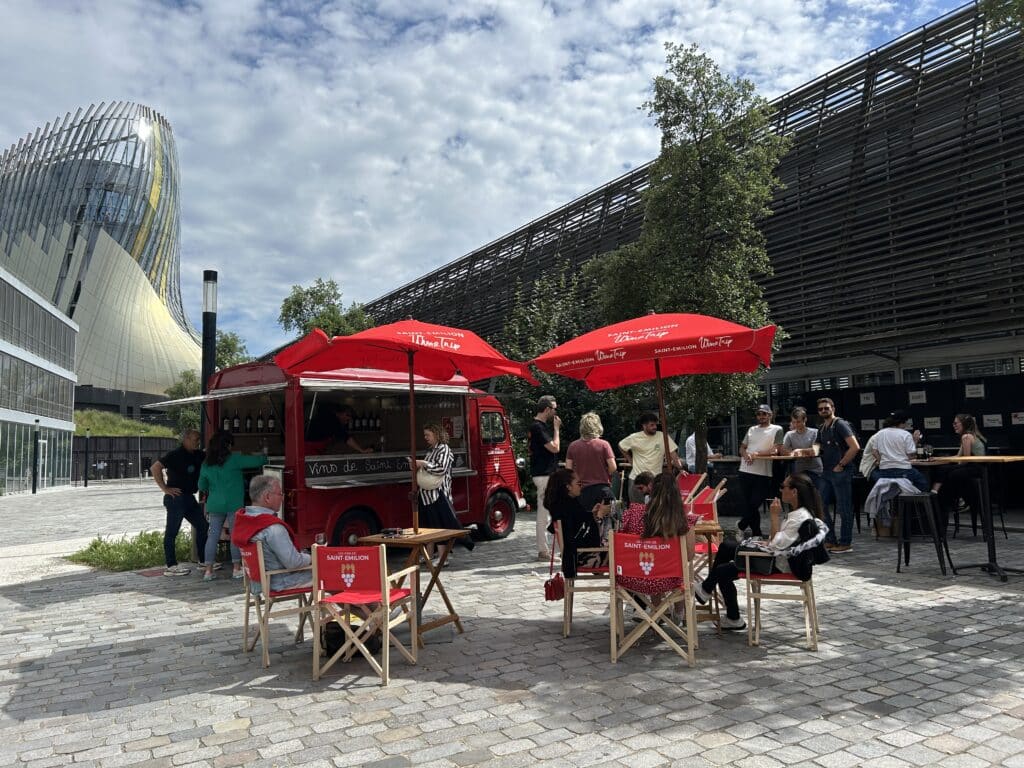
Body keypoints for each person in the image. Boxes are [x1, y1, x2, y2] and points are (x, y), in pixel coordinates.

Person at [694, 473, 828, 630]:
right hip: (778, 557)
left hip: (777, 563)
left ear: (794, 492)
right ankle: (708, 591)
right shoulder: (800, 514)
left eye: (783, 487)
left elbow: (774, 545)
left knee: (722, 571)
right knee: (725, 547)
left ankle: (730, 613)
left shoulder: (798, 518)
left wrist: (773, 517)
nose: (780, 490)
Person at [615, 471, 696, 613]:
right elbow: (689, 556)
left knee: (653, 565)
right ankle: (678, 613)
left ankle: (657, 612)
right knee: (673, 571)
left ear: (652, 490)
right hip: (670, 579)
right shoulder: (683, 520)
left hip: (634, 578)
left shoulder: (634, 513)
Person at [199, 431, 269, 581]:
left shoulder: (206, 464)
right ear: (228, 445)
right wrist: (264, 453)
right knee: (235, 536)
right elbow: (259, 461)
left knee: (212, 536)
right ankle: (237, 569)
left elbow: (201, 485)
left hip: (215, 504)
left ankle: (208, 571)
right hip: (233, 504)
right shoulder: (235, 460)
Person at [231, 475, 311, 593]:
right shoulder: (273, 528)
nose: (283, 498)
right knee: (331, 572)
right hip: (280, 582)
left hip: (256, 581)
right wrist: (312, 556)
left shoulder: (244, 520)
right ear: (267, 497)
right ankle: (335, 609)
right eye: (280, 494)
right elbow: (293, 562)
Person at [412, 423, 474, 563]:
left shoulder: (444, 449)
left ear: (436, 434)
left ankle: (442, 558)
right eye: (425, 435)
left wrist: (423, 464)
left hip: (438, 495)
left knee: (440, 526)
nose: (425, 437)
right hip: (427, 494)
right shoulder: (431, 450)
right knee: (428, 526)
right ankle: (429, 555)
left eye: (428, 434)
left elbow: (441, 469)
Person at [151, 430, 209, 577]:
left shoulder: (198, 454)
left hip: (189, 497)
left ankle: (204, 561)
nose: (198, 442)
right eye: (195, 439)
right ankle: (171, 565)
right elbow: (155, 467)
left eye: (199, 439)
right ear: (186, 439)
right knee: (172, 531)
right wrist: (165, 488)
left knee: (203, 525)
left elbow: (209, 456)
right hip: (176, 498)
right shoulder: (175, 454)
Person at [544, 468, 611, 578]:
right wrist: (598, 516)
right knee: (621, 554)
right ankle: (625, 592)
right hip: (580, 557)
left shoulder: (564, 504)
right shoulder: (566, 507)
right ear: (568, 487)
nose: (581, 486)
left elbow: (579, 520)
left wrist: (592, 514)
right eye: (579, 483)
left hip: (575, 556)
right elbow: (578, 536)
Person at [814, 398, 860, 553]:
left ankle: (845, 542)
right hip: (826, 472)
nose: (823, 411)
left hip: (840, 472)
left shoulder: (840, 424)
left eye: (826, 408)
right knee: (821, 505)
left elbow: (854, 447)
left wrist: (841, 464)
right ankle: (830, 539)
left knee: (844, 508)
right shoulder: (822, 428)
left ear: (833, 408)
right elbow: (816, 449)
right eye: (820, 409)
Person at [934, 414, 987, 534]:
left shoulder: (967, 437)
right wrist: (939, 459)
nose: (953, 425)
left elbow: (965, 459)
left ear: (964, 424)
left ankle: (951, 498)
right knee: (945, 469)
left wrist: (948, 463)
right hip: (976, 468)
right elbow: (958, 457)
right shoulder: (970, 435)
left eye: (956, 423)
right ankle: (948, 498)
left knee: (947, 473)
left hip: (975, 468)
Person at [736, 405, 784, 538]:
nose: (761, 416)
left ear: (770, 415)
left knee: (754, 503)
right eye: (759, 414)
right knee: (750, 505)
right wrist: (746, 455)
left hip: (763, 472)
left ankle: (741, 526)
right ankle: (756, 533)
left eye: (764, 414)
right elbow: (742, 448)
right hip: (745, 470)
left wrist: (756, 454)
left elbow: (775, 450)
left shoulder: (777, 429)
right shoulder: (751, 429)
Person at [619, 412, 682, 503]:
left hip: (655, 481)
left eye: (656, 424)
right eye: (652, 425)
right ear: (644, 425)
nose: (655, 427)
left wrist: (680, 468)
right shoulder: (634, 437)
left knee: (655, 510)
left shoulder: (662, 436)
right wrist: (630, 460)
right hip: (637, 479)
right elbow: (621, 446)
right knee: (637, 511)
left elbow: (673, 454)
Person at [529, 395, 561, 561]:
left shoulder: (539, 427)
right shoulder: (538, 427)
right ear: (547, 409)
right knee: (544, 513)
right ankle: (543, 550)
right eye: (554, 408)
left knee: (549, 512)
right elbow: (555, 448)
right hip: (543, 475)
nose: (555, 412)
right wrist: (557, 429)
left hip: (545, 474)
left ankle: (550, 549)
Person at [565, 412, 617, 513]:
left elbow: (568, 470)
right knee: (605, 524)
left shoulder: (573, 446)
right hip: (602, 490)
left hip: (581, 492)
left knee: (584, 524)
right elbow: (613, 467)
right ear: (597, 426)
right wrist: (606, 472)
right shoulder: (604, 445)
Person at [871, 411, 927, 492]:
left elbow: (874, 452)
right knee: (923, 483)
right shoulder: (905, 434)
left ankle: (898, 499)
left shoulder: (879, 433)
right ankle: (909, 501)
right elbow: (911, 455)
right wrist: (915, 440)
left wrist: (882, 461)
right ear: (902, 423)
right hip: (904, 470)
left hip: (884, 471)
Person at [305, 403, 373, 454]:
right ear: (339, 413)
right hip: (309, 449)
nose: (349, 418)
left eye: (350, 417)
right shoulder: (333, 421)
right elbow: (347, 438)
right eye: (347, 415)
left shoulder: (331, 420)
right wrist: (362, 450)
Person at [780, 407, 822, 486]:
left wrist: (799, 451)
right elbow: (783, 451)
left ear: (805, 419)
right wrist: (790, 453)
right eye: (793, 422)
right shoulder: (789, 434)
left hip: (815, 470)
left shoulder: (815, 432)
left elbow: (815, 451)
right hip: (799, 471)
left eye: (798, 422)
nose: (796, 425)